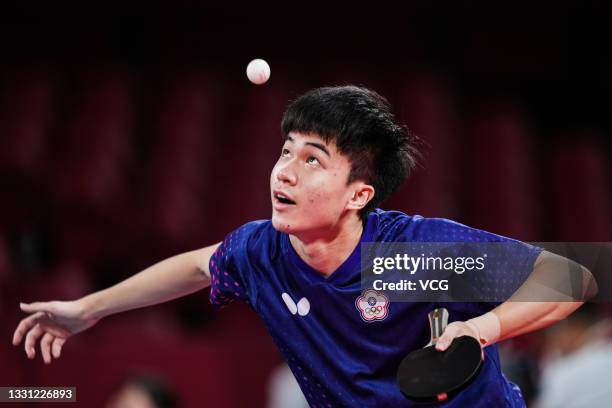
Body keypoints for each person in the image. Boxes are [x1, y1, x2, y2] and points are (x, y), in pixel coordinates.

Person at [12, 86, 594, 407]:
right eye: (285, 151)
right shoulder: (265, 254)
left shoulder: (403, 259)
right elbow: (194, 265)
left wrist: (479, 329)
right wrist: (87, 308)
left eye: (311, 160)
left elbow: (571, 280)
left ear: (357, 194)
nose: (284, 171)